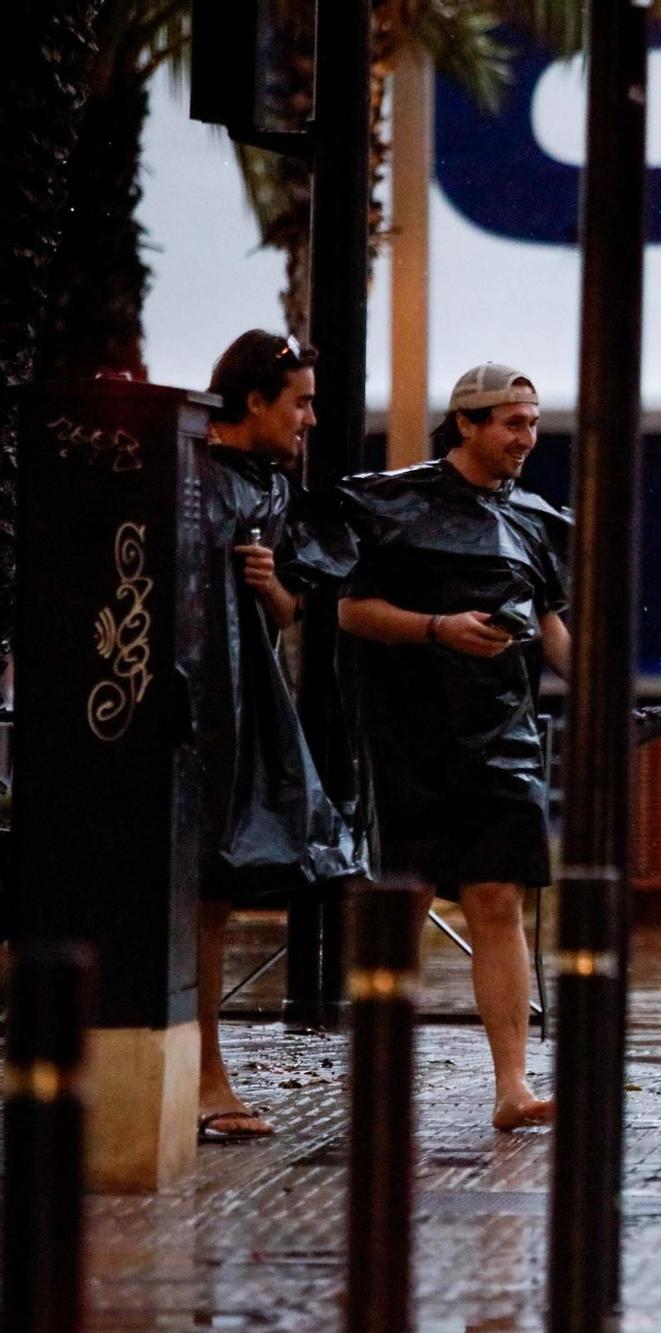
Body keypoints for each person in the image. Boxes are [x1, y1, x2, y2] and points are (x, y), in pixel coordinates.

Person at [337, 364, 570, 1131]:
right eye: (512, 422)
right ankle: (377, 1072)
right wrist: (438, 628)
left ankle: (512, 1086)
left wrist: (607, 692)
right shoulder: (396, 501)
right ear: (466, 423)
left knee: (497, 901)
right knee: (398, 903)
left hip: (501, 732)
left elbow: (552, 624)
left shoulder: (535, 517)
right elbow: (351, 611)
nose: (526, 438)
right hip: (408, 734)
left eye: (533, 423)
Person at [196, 330, 366, 1142]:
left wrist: (268, 589)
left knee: (214, 889)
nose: (309, 419)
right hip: (198, 711)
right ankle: (199, 1073)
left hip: (241, 708)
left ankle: (204, 1070)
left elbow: (292, 607)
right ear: (255, 400)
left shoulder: (269, 492)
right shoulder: (192, 478)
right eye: (297, 402)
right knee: (201, 887)